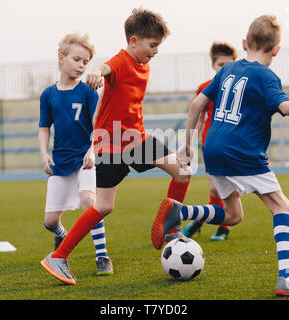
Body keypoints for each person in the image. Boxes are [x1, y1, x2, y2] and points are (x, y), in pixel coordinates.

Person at [152, 15, 289, 296]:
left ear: (245, 42)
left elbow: (198, 102)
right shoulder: (265, 76)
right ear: (276, 50)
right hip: (242, 151)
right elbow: (285, 107)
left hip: (213, 148)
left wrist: (187, 146)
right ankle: (287, 277)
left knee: (233, 215)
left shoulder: (228, 70)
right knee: (281, 206)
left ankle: (181, 211)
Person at [40, 8, 191, 285]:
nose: (155, 51)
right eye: (152, 45)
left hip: (135, 140)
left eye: (158, 45)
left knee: (182, 172)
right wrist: (96, 73)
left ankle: (171, 228)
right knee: (103, 206)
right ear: (134, 41)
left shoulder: (144, 65)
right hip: (112, 145)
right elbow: (104, 68)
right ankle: (58, 256)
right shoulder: (121, 62)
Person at [39, 33, 113, 281]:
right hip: (60, 161)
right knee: (50, 221)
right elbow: (44, 128)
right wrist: (43, 154)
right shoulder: (48, 94)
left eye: (86, 61)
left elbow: (98, 125)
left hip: (85, 160)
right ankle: (61, 233)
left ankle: (102, 255)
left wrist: (92, 151)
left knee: (89, 202)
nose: (82, 65)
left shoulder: (89, 92)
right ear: (61, 58)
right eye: (77, 59)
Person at [183, 42, 237, 241]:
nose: (225, 68)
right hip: (211, 144)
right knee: (215, 188)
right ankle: (216, 225)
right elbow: (199, 120)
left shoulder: (239, 89)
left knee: (231, 189)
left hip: (234, 145)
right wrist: (189, 144)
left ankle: (207, 223)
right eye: (221, 64)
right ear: (214, 65)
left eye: (229, 64)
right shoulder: (204, 88)